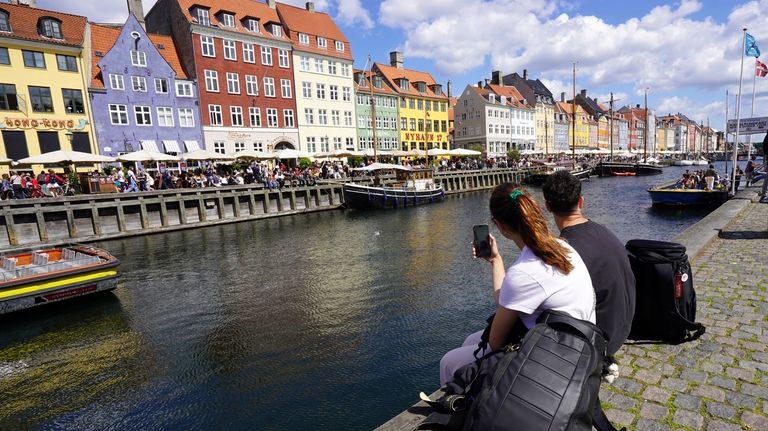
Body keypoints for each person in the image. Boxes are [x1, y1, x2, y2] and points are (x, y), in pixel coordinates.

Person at [439, 184, 595, 386]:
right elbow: (508, 300)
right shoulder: (563, 247)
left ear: (500, 226)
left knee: (448, 362)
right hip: (580, 345)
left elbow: (496, 343)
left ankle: (459, 408)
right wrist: (496, 260)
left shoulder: (524, 271)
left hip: (555, 362)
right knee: (471, 340)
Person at [542, 170, 635, 359]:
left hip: (600, 341)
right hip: (623, 327)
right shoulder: (604, 232)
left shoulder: (566, 249)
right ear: (581, 202)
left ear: (547, 206)